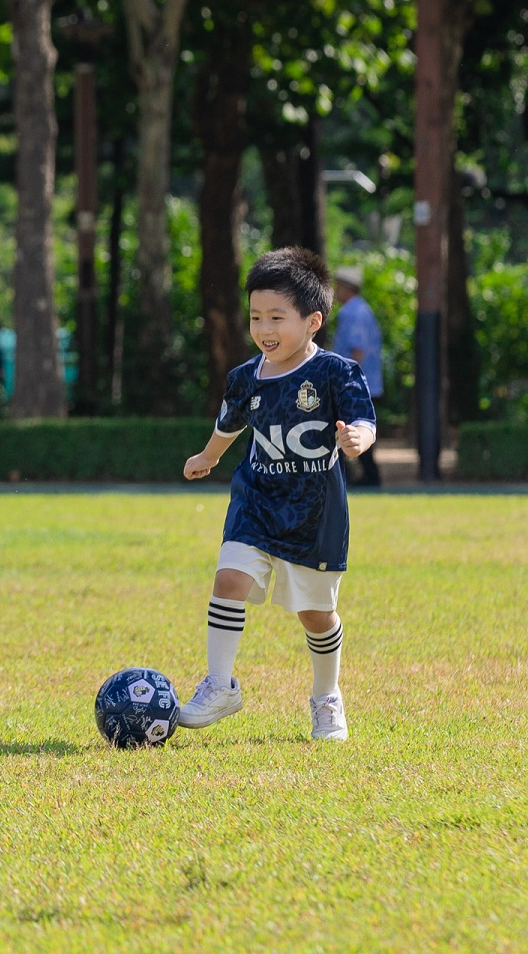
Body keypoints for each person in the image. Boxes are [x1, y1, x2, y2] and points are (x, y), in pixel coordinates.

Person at [179, 247, 377, 742]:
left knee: (316, 615)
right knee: (228, 581)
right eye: (256, 317)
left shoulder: (334, 373)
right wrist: (208, 457)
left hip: (314, 515)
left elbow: (364, 420)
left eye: (276, 318)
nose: (264, 328)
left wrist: (357, 439)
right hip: (256, 501)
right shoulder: (245, 378)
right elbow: (229, 424)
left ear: (313, 321)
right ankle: (220, 686)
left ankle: (326, 697)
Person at [331, 266, 385, 487]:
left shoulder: (353, 313)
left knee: (356, 428)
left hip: (357, 384)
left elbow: (357, 350)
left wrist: (348, 382)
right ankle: (366, 476)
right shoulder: (362, 310)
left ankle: (369, 477)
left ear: (347, 288)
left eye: (338, 287)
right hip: (368, 383)